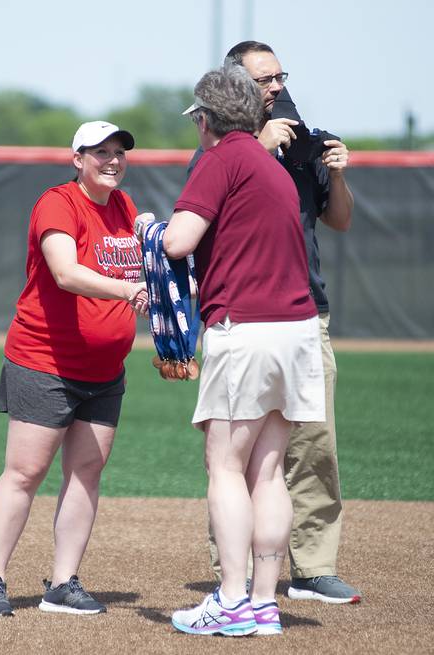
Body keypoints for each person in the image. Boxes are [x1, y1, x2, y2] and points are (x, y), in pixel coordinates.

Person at [158, 65, 326, 636]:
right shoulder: (269, 165)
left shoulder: (222, 158)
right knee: (269, 471)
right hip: (298, 327)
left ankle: (230, 601)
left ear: (204, 120)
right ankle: (262, 603)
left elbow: (180, 241)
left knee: (226, 466)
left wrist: (149, 232)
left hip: (245, 327)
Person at [203, 40, 360, 605]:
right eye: (263, 79)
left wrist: (336, 173)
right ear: (236, 85)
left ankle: (314, 568)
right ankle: (234, 572)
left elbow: (336, 221)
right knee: (238, 454)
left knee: (314, 448)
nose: (275, 86)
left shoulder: (302, 139)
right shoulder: (223, 147)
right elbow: (202, 219)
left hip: (303, 313)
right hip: (239, 314)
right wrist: (260, 149)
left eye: (279, 76)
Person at [0, 121, 146, 617]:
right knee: (25, 472)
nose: (113, 160)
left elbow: (139, 269)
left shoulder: (125, 207)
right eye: (101, 153)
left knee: (86, 473)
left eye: (119, 152)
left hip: (104, 369)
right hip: (44, 360)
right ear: (78, 159)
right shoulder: (59, 202)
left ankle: (63, 582)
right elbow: (65, 273)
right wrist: (125, 292)